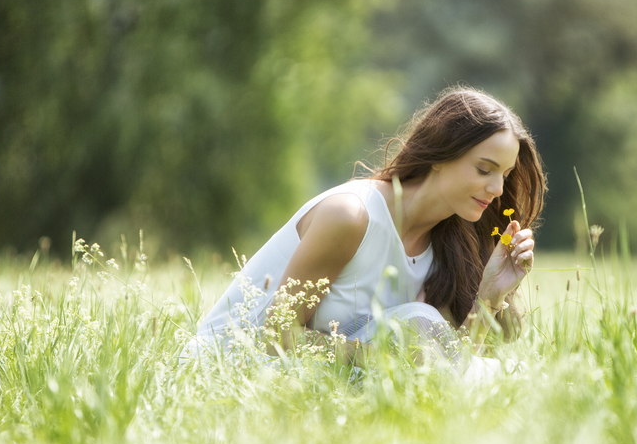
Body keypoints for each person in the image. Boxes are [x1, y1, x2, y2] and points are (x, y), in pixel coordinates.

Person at [182, 87, 546, 366]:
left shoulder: (448, 246)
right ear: (441, 154)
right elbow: (277, 337)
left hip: (315, 382)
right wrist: (387, 359)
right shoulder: (350, 216)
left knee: (504, 371)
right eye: (484, 169)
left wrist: (490, 297)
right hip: (230, 369)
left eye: (505, 174)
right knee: (420, 323)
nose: (497, 189)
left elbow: (454, 367)